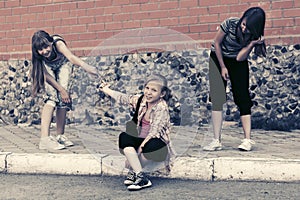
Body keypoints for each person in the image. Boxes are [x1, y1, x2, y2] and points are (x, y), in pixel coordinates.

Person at [203, 7, 266, 151]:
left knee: (242, 97)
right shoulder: (230, 23)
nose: (244, 29)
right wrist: (223, 67)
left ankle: (247, 140)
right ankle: (216, 140)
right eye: (243, 24)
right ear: (242, 18)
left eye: (248, 28)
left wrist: (251, 44)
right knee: (217, 98)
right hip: (218, 58)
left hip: (237, 61)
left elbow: (239, 58)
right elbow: (217, 44)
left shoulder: (253, 36)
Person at [100, 74, 173, 191]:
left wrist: (138, 151)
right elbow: (123, 98)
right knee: (124, 137)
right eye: (147, 88)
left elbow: (154, 132)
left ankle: (134, 172)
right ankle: (139, 175)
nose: (148, 92)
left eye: (154, 90)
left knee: (152, 146)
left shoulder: (161, 108)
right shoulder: (142, 100)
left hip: (155, 142)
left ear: (162, 94)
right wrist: (106, 89)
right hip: (140, 138)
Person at [31, 30, 98, 150]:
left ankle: (60, 136)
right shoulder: (38, 57)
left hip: (63, 64)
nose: (45, 51)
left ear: (51, 42)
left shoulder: (58, 44)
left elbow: (71, 57)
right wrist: (61, 89)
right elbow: (47, 76)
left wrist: (87, 67)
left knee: (63, 100)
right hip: (48, 69)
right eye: (41, 50)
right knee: (52, 98)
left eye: (46, 47)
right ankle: (44, 139)